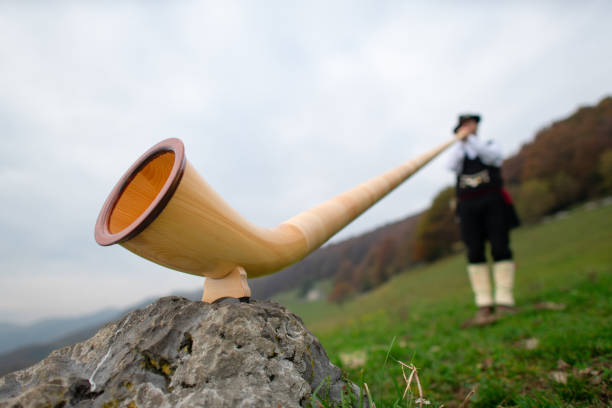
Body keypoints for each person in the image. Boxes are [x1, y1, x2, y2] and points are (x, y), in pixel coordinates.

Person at [447, 114, 519, 327]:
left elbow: (491, 158)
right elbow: (450, 166)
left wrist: (471, 140)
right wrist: (460, 143)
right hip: (468, 207)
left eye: (471, 124)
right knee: (474, 251)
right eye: (464, 125)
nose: (468, 127)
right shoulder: (457, 152)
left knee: (500, 246)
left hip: (493, 202)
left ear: (477, 126)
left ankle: (504, 299)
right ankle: (484, 302)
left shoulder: (488, 144)